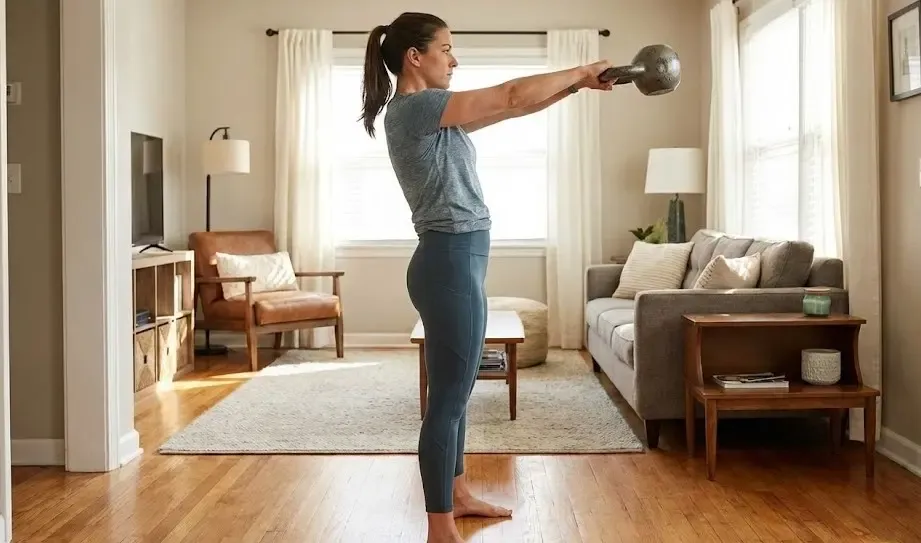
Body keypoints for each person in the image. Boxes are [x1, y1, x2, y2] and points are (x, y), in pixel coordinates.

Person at [360, 12, 615, 543]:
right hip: (449, 261)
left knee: (459, 390)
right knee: (448, 399)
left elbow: (517, 108)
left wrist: (577, 87)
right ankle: (439, 528)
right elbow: (511, 93)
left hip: (456, 258)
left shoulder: (431, 114)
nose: (454, 60)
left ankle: (457, 494)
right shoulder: (418, 108)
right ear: (415, 57)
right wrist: (583, 66)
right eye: (446, 49)